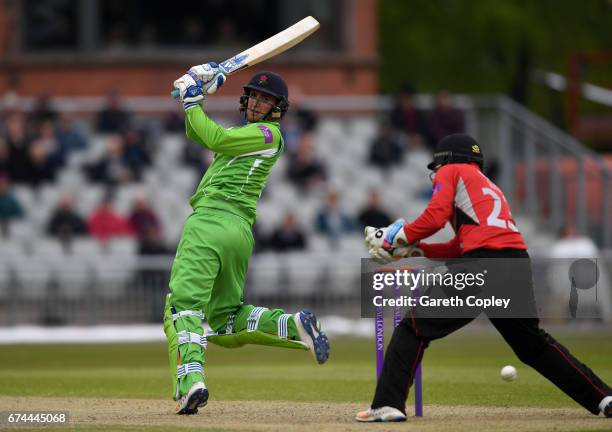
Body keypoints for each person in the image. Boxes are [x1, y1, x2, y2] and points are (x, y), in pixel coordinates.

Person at [359, 133, 612, 422]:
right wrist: (414, 249)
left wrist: (396, 235)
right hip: (514, 264)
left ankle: (387, 404)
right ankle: (604, 396)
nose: (435, 175)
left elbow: (434, 216)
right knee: (533, 346)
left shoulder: (452, 171)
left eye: (436, 168)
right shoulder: (488, 185)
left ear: (445, 161)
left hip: (482, 265)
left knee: (413, 327)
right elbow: (459, 246)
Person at [167, 65, 330, 415]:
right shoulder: (250, 135)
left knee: (182, 306)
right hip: (238, 232)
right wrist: (193, 96)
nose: (258, 102)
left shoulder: (268, 135)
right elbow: (201, 134)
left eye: (266, 99)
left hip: (210, 223)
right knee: (226, 318)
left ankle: (191, 381)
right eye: (254, 95)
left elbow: (215, 139)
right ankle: (290, 324)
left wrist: (193, 101)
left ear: (278, 108)